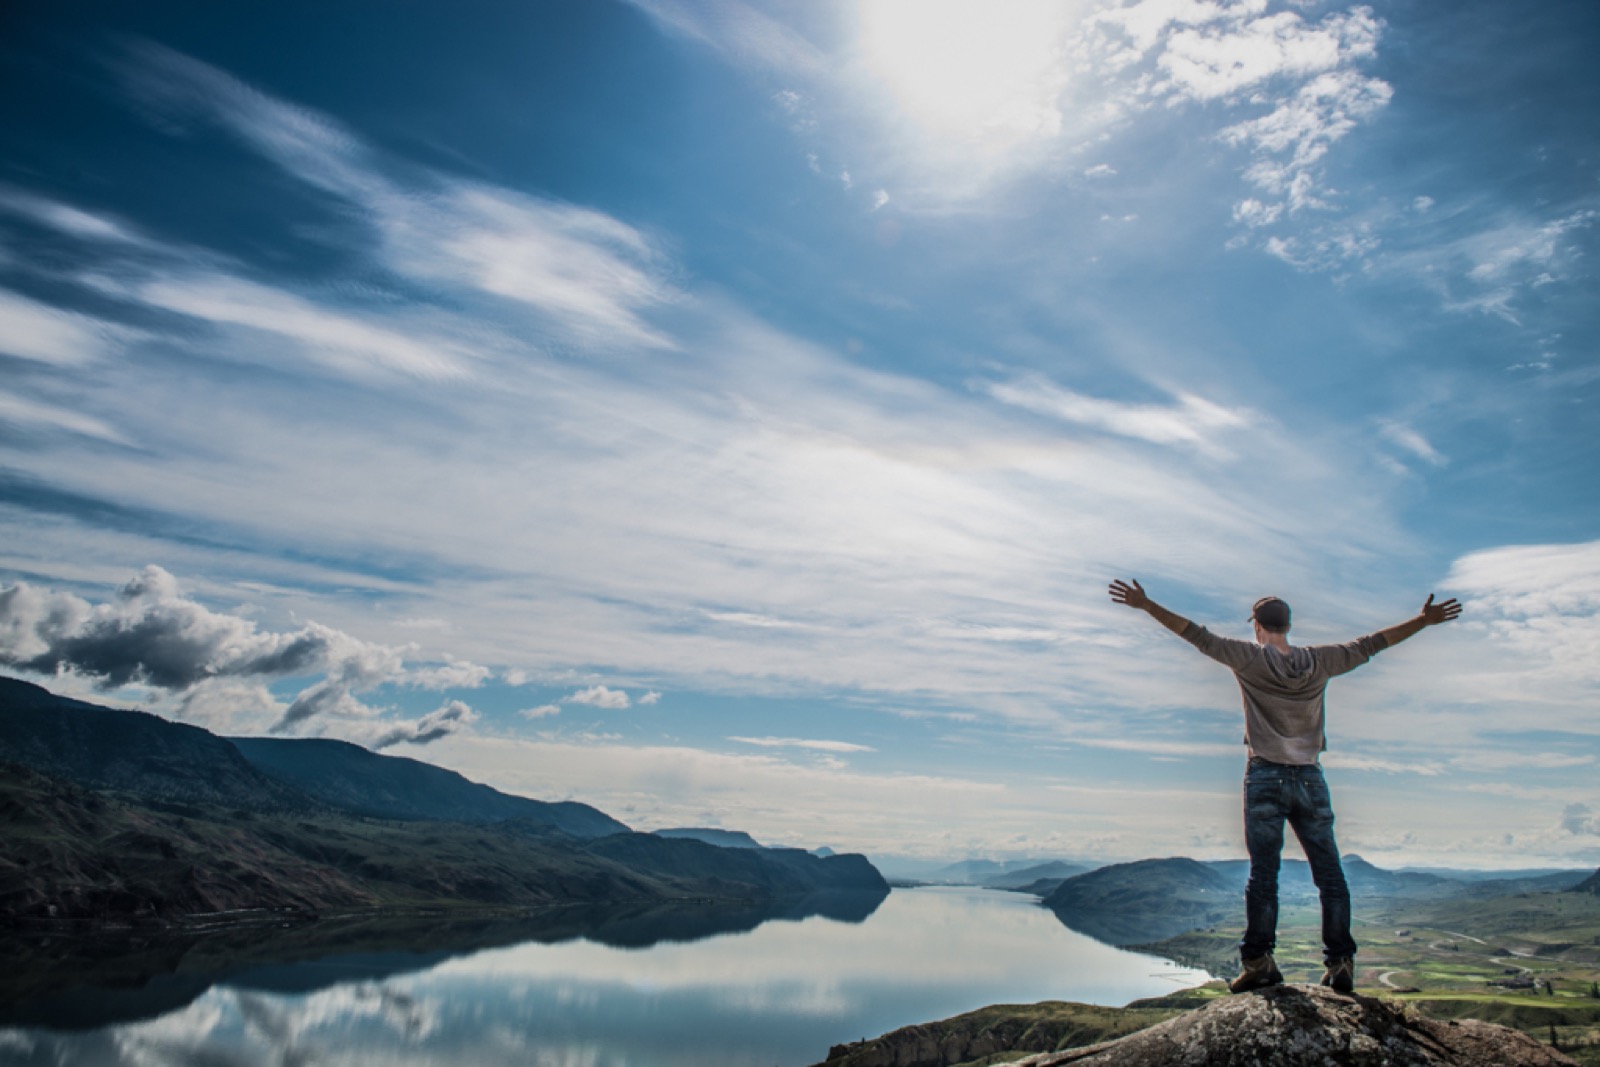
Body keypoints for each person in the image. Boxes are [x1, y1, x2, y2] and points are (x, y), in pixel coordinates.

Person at [1106, 578, 1461, 994]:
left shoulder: (1248, 659)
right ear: (1288, 625)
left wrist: (1147, 605)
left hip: (1264, 776)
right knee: (1330, 876)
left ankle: (1258, 962)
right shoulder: (1321, 661)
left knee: (1263, 876)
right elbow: (1373, 643)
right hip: (1310, 777)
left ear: (1257, 625)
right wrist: (1423, 621)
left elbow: (1195, 635)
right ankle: (1341, 962)